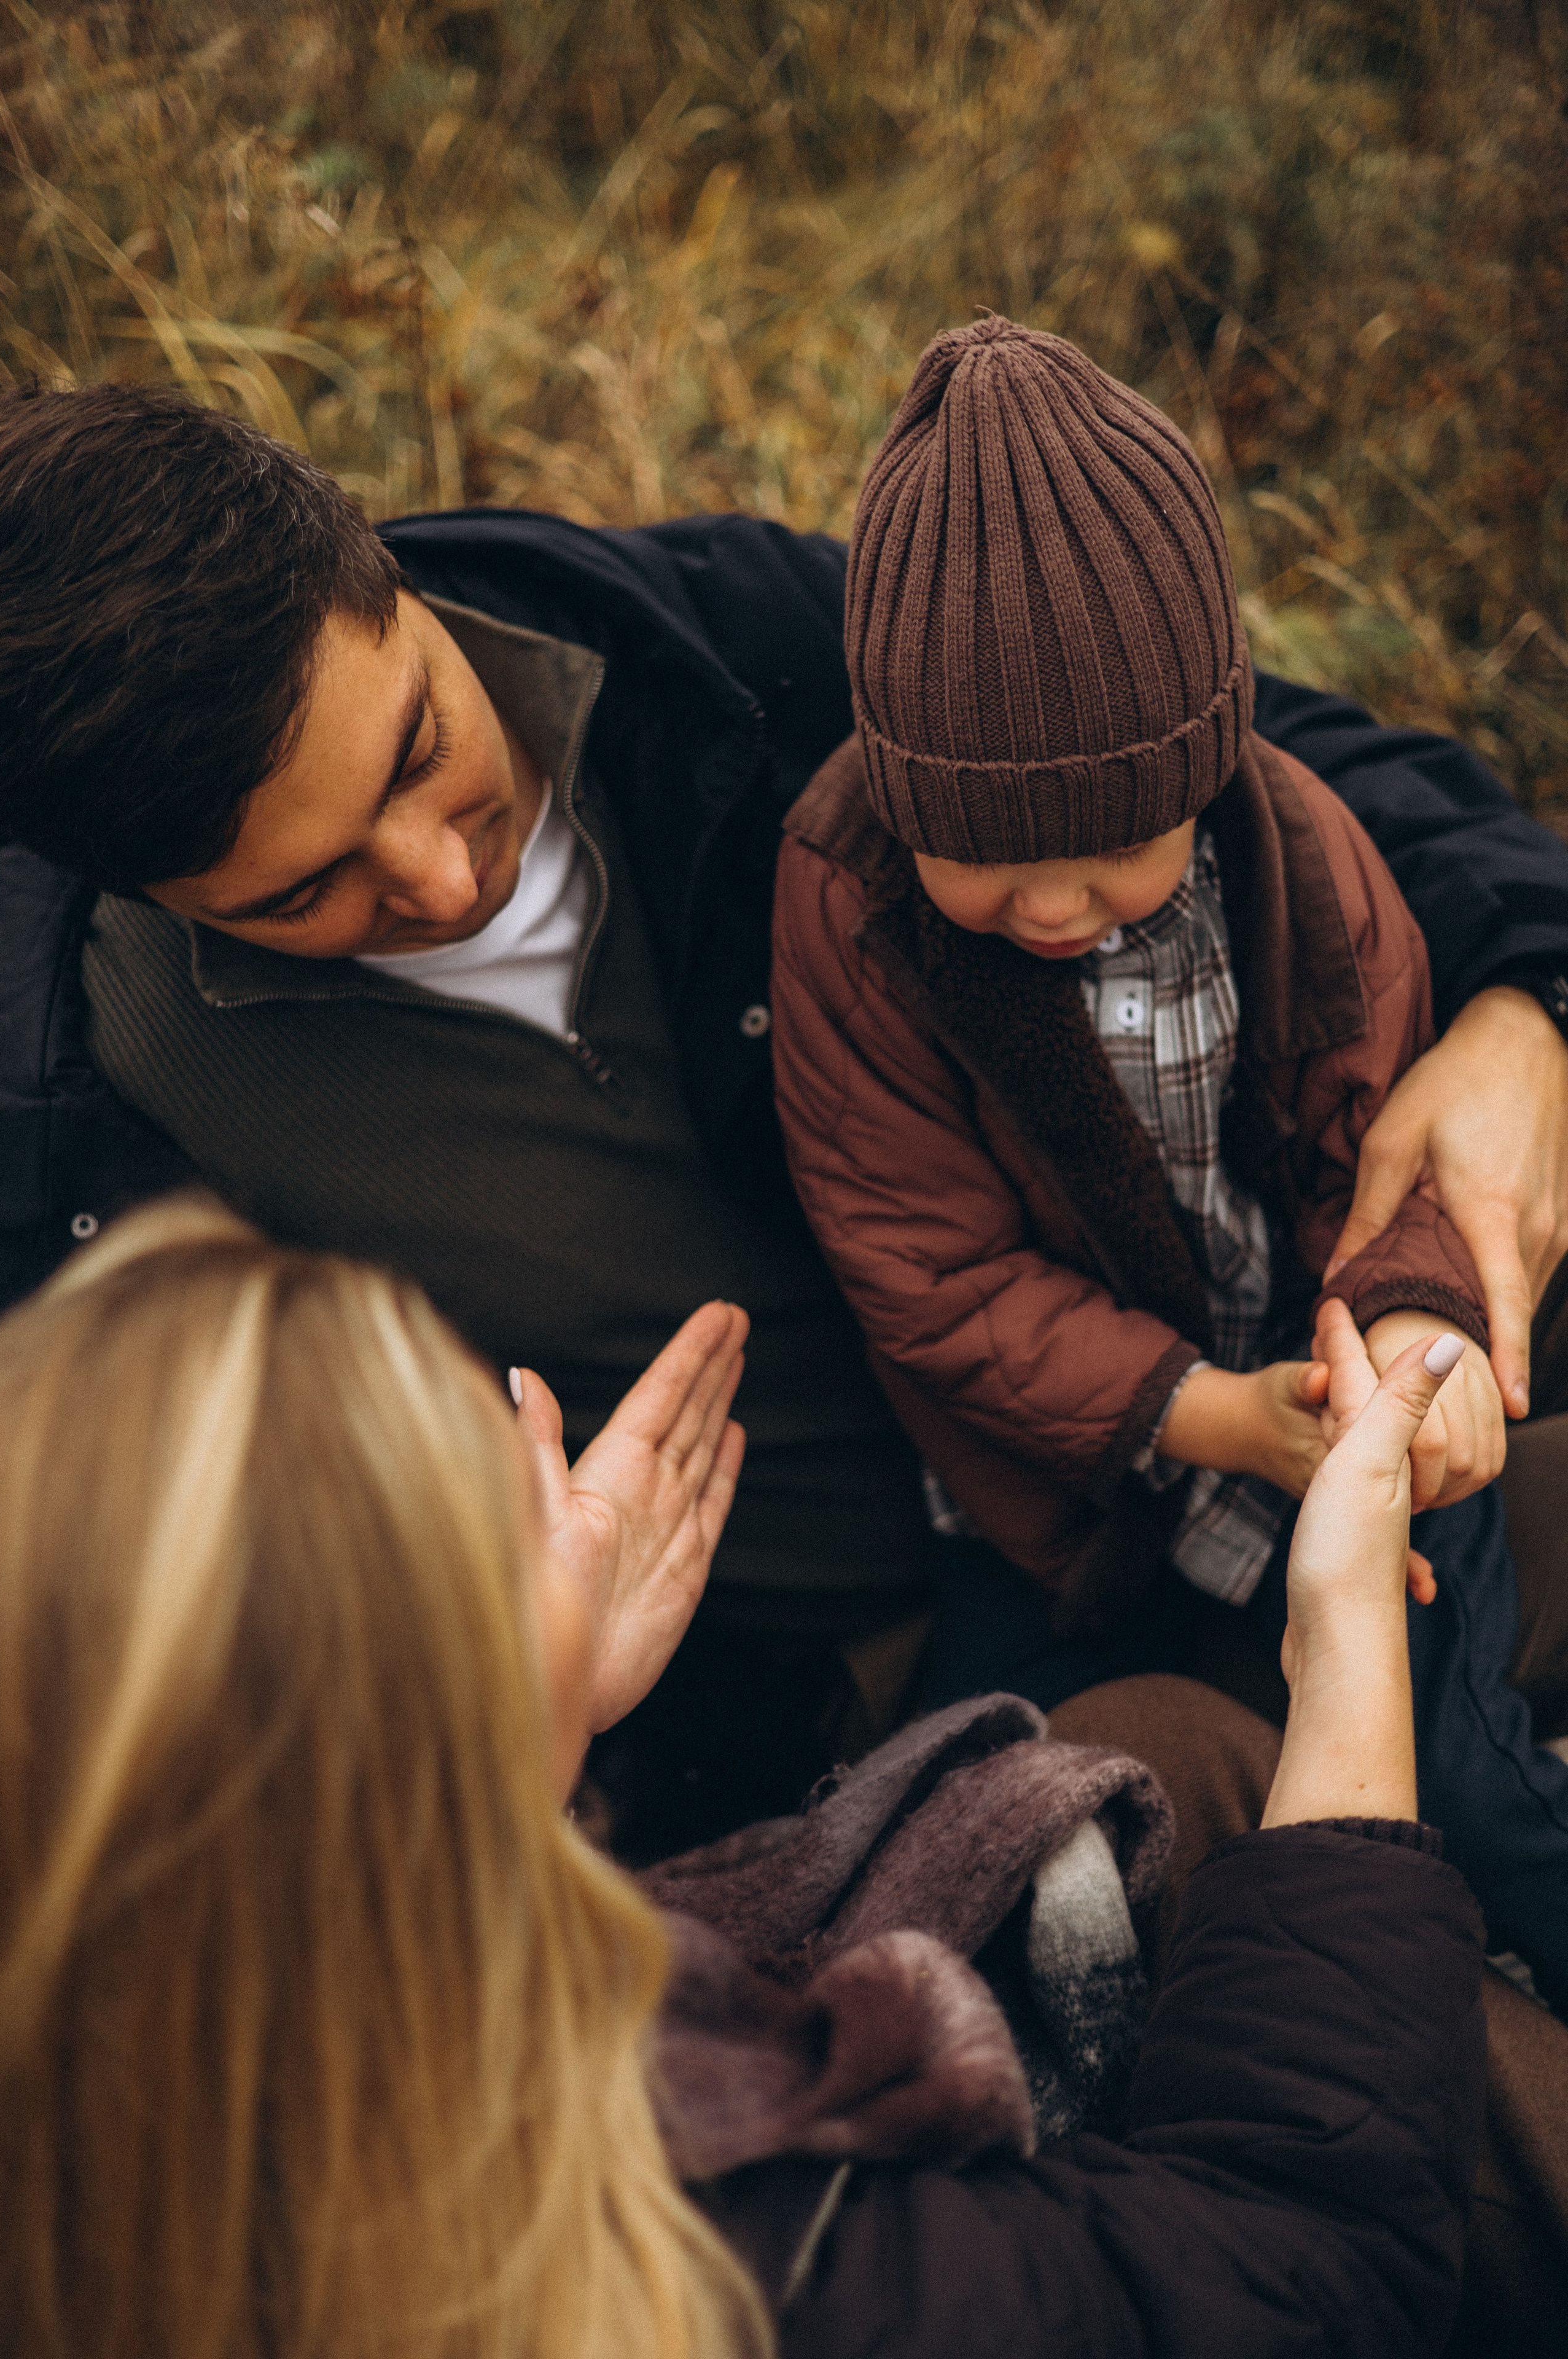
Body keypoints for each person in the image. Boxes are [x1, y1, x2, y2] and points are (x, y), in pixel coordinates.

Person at [0, 382, 1568, 1853]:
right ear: (135, 891)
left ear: (380, 566)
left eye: (419, 748)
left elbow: (1277, 770)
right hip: (885, 1663)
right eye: (302, 894)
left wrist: (1523, 1008)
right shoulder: (90, 1124)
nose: (439, 874)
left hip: (1245, 1363)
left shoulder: (728, 644)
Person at [0, 1194, 1489, 2357]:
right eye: (500, 1531)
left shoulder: (126, 2132)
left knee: (1153, 1733)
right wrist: (1341, 1627)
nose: (555, 1516)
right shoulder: (709, 2258)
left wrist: (529, 1727)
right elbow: (1307, 2262)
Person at [769, 315, 1568, 2009]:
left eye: (1117, 846)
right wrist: (1201, 1415)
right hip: (1054, 1475)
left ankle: (1511, 1937)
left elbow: (1385, 1141)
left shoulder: (1300, 854)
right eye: (988, 859)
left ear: (1203, 770)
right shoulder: (850, 906)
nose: (1056, 905)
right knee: (981, 1797)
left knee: (1463, 1744)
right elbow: (928, 1271)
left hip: (1321, 1371)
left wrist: (1410, 1332)